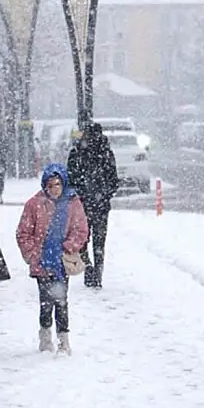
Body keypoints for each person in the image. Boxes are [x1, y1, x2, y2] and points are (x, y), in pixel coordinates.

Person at [16, 163, 88, 355]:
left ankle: (64, 340)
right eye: (50, 185)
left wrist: (68, 247)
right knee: (45, 301)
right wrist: (33, 255)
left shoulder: (73, 202)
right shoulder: (34, 204)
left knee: (62, 300)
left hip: (61, 261)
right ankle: (45, 336)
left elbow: (81, 230)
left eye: (58, 184)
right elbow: (23, 232)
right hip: (42, 261)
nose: (54, 189)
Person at [66, 123, 119, 289]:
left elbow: (71, 179)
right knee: (98, 241)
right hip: (98, 204)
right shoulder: (105, 153)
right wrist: (104, 194)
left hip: (85, 204)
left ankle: (89, 268)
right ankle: (96, 273)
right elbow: (113, 180)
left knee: (83, 239)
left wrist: (81, 193)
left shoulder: (78, 153)